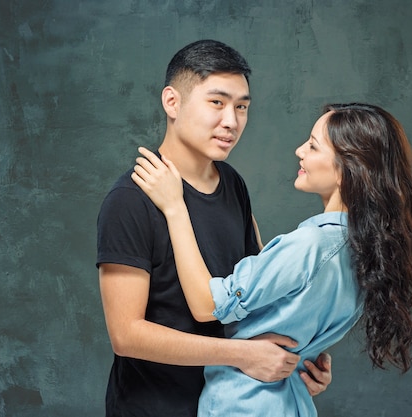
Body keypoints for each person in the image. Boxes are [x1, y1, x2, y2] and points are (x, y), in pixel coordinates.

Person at [132, 102, 412, 416]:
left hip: (245, 405)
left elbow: (208, 305)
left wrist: (174, 207)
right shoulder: (366, 252)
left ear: (347, 171)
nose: (300, 150)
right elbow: (285, 303)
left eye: (313, 146)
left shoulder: (311, 245)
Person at [96, 39, 332, 417]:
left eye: (241, 107)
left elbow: (253, 298)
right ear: (172, 102)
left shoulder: (233, 184)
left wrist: (298, 361)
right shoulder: (131, 199)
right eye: (217, 103)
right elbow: (126, 335)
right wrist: (243, 355)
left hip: (230, 406)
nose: (231, 121)